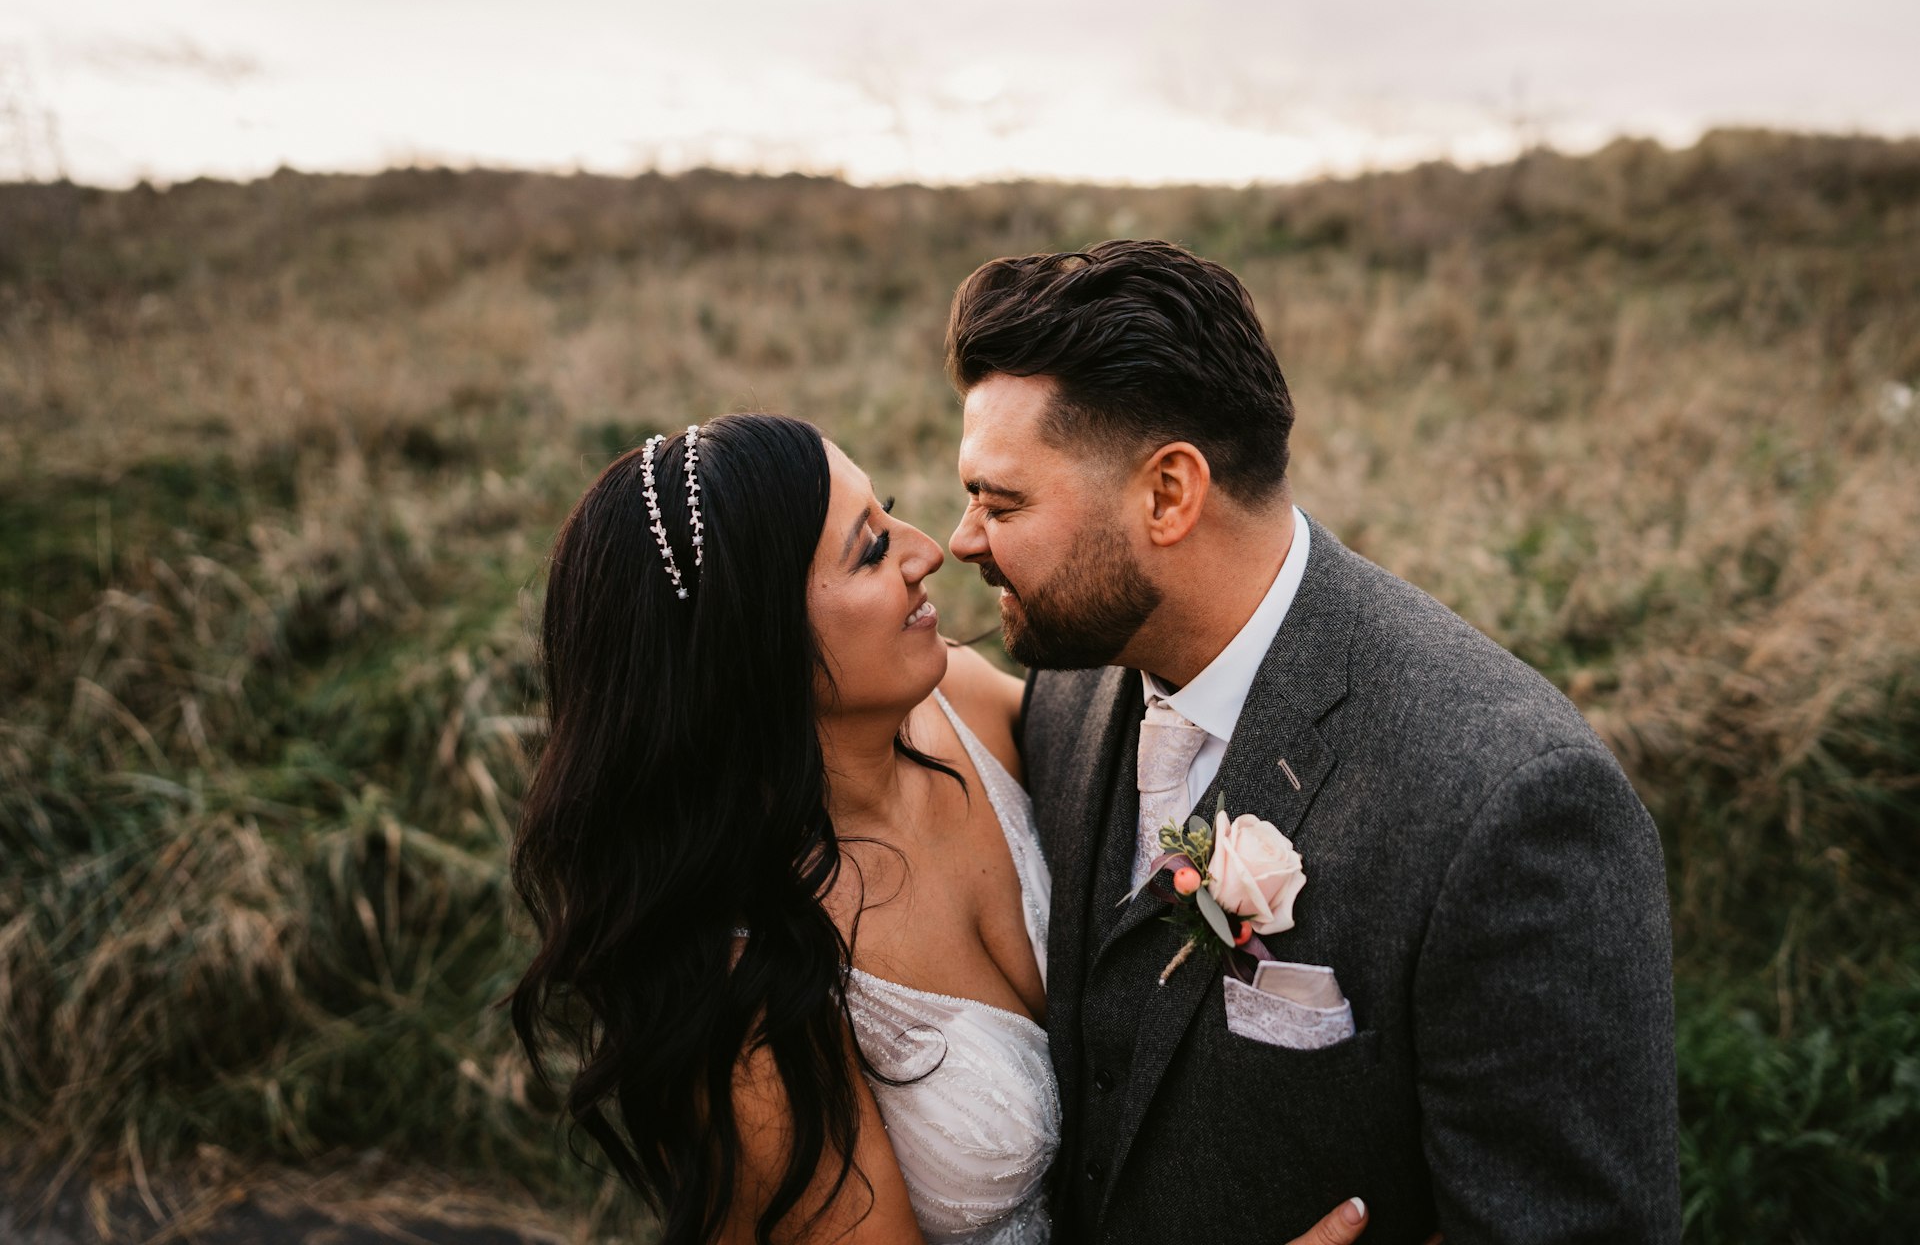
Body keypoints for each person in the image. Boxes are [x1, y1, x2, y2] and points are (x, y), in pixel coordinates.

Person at [942, 240, 1682, 1244]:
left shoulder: (1510, 799)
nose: (963, 539)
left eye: (1002, 499)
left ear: (1169, 492)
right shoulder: (1068, 689)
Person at [507, 413, 1381, 1245]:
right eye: (872, 548)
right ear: (756, 648)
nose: (932, 549)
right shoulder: (745, 1008)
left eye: (886, 510)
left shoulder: (958, 698)